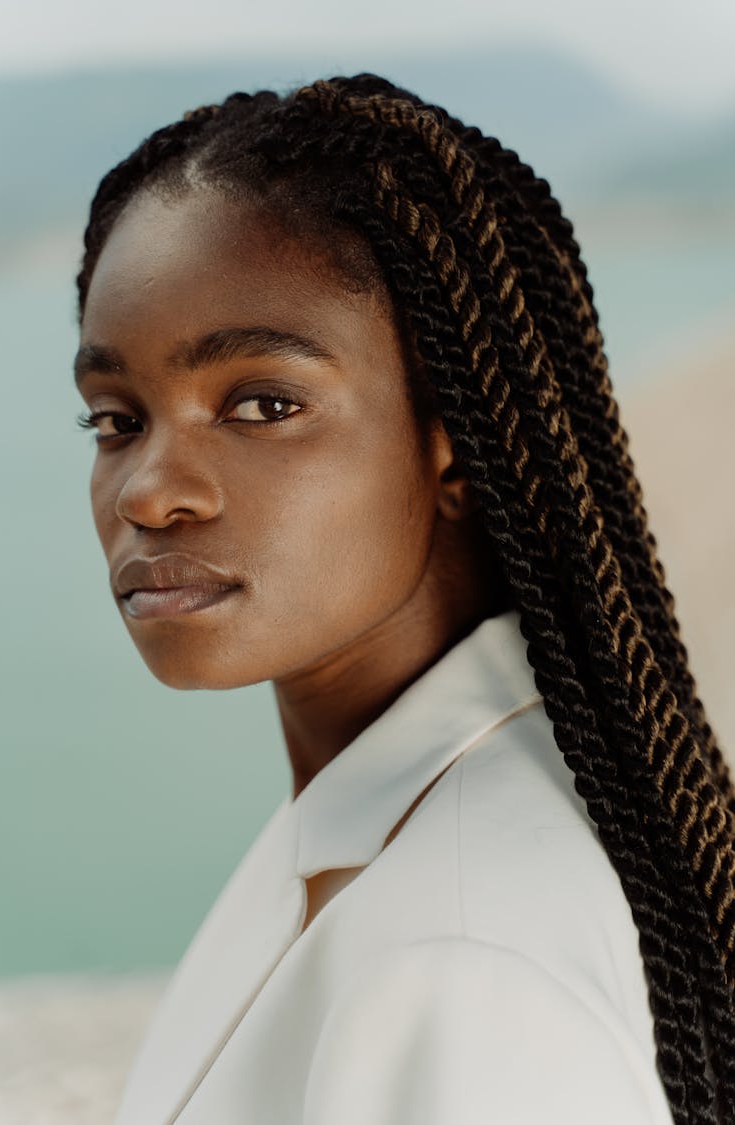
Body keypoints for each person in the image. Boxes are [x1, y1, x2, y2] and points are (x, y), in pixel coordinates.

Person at [73, 73, 735, 1124]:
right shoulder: (370, 813)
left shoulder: (466, 962)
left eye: (262, 403)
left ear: (458, 445)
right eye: (115, 419)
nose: (149, 491)